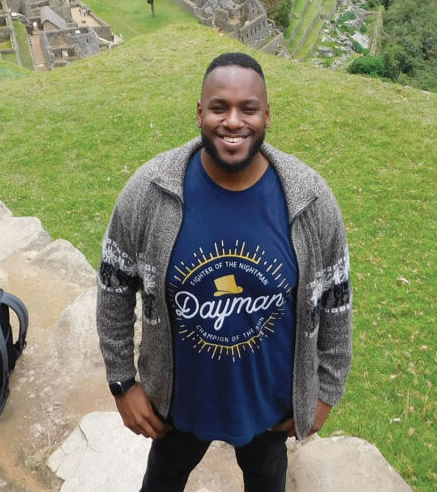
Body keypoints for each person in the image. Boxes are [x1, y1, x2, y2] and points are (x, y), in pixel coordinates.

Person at [97, 52, 352, 492]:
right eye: (219, 107)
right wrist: (123, 383)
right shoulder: (149, 191)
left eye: (248, 108)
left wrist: (326, 391)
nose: (233, 121)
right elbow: (113, 287)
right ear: (200, 112)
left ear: (267, 114)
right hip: (175, 406)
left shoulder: (310, 200)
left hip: (270, 411)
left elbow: (337, 300)